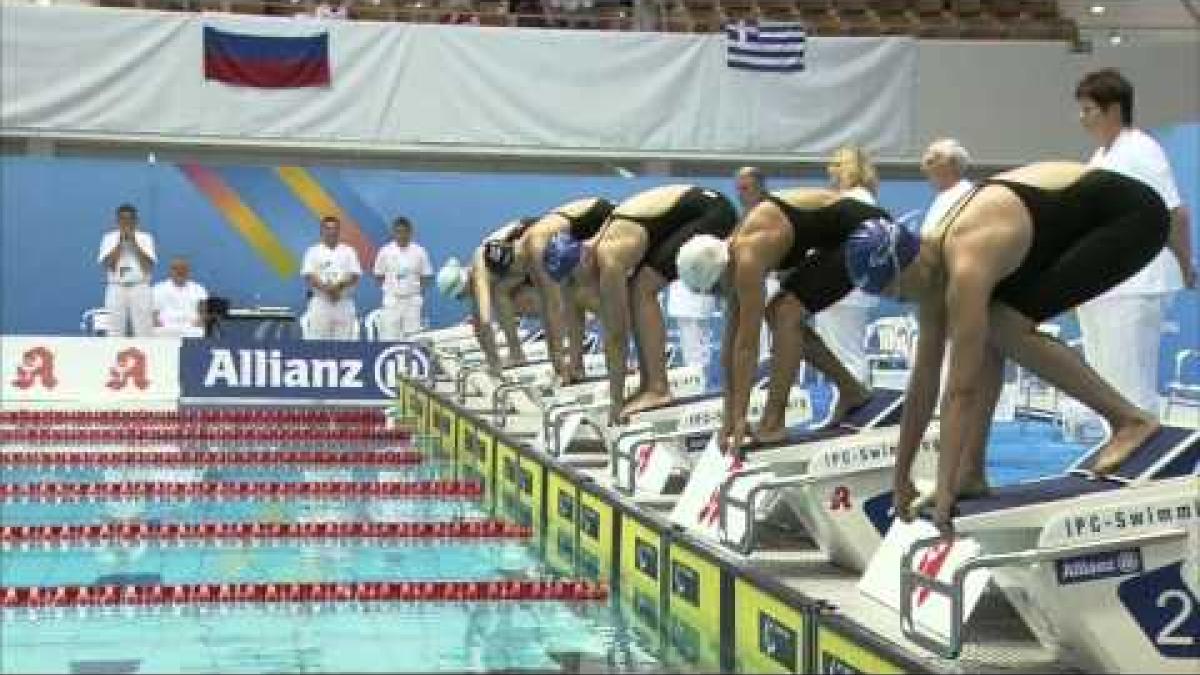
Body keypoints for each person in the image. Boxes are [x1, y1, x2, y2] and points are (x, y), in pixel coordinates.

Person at [843, 161, 1168, 535]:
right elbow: (923, 386)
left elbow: (960, 389)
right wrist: (900, 478)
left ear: (908, 267)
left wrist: (943, 487)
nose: (900, 302)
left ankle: (1131, 421)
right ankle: (971, 472)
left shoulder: (966, 261)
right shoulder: (928, 269)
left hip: (1131, 216)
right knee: (993, 326)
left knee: (1004, 324)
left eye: (895, 293)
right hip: (1072, 222)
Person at [676, 188, 883, 452]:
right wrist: (729, 416)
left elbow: (747, 347)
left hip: (868, 233)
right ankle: (852, 392)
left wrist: (740, 418)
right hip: (837, 238)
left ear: (721, 272)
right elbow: (731, 343)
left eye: (715, 290)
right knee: (781, 312)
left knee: (785, 313)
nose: (719, 296)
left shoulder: (747, 259)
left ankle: (773, 423)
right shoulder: (731, 256)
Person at [544, 185, 737, 423]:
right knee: (638, 288)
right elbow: (582, 314)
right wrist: (574, 366)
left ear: (583, 259)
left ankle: (658, 388)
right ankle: (650, 385)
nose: (576, 286)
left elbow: (616, 336)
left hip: (711, 213)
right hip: (693, 209)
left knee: (642, 289)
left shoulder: (610, 257)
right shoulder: (591, 253)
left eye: (574, 278)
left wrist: (616, 403)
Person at [1073, 68, 1196, 416]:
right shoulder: (1099, 158)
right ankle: (1112, 459)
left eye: (1088, 110)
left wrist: (1185, 267)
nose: (1081, 118)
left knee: (1129, 388)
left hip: (1136, 283)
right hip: (1102, 285)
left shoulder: (1142, 150)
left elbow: (1176, 214)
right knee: (1103, 389)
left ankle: (1140, 465)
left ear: (1113, 109)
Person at [436, 217, 543, 373]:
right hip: (528, 247)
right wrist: (490, 358)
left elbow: (485, 322)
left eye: (460, 296)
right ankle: (517, 352)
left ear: (463, 285)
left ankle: (517, 353)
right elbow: (479, 324)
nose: (463, 299)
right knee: (505, 297)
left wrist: (494, 363)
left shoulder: (481, 270)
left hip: (537, 240)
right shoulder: (476, 273)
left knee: (502, 295)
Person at [525, 197, 614, 383]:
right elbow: (550, 309)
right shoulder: (536, 251)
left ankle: (618, 362)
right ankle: (576, 366)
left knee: (597, 300)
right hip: (578, 227)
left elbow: (554, 309)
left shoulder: (538, 247)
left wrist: (557, 361)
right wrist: (557, 361)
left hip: (603, 218)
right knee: (571, 298)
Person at [819, 146, 881, 383]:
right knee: (846, 353)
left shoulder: (849, 201)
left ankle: (855, 405)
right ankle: (852, 403)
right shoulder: (866, 199)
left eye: (835, 167)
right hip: (852, 286)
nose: (831, 173)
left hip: (842, 287)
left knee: (845, 355)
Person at [96, 203, 157, 337]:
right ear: (117, 221)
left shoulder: (146, 238)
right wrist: (120, 243)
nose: (126, 223)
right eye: (123, 219)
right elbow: (108, 265)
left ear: (136, 221)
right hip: (116, 287)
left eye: (130, 219)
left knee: (144, 329)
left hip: (140, 287)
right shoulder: (108, 238)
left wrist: (134, 243)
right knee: (114, 328)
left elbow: (148, 266)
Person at [300, 215, 362, 340]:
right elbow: (309, 275)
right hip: (321, 302)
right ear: (321, 231)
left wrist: (338, 287)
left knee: (344, 345)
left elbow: (355, 275)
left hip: (343, 302)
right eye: (327, 228)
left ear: (339, 231)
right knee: (318, 344)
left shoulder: (349, 251)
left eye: (335, 229)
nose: (331, 232)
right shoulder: (313, 251)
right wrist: (326, 289)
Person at [373, 216, 433, 340]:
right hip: (392, 300)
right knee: (389, 336)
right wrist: (391, 288)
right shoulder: (385, 251)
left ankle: (410, 360)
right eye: (398, 232)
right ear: (394, 232)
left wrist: (416, 291)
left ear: (410, 232)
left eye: (405, 232)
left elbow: (426, 276)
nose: (402, 235)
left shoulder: (419, 251)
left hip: (412, 301)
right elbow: (378, 275)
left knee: (413, 337)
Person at [920, 138, 975, 234]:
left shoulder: (966, 196)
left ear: (950, 167)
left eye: (932, 163)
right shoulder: (943, 196)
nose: (926, 169)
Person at [152, 256, 208, 338]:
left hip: (191, 327)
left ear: (189, 271)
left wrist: (201, 321)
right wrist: (156, 323)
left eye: (183, 268)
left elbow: (204, 311)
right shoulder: (158, 289)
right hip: (165, 328)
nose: (180, 271)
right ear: (170, 271)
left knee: (200, 332)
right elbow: (152, 314)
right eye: (176, 269)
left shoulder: (199, 289)